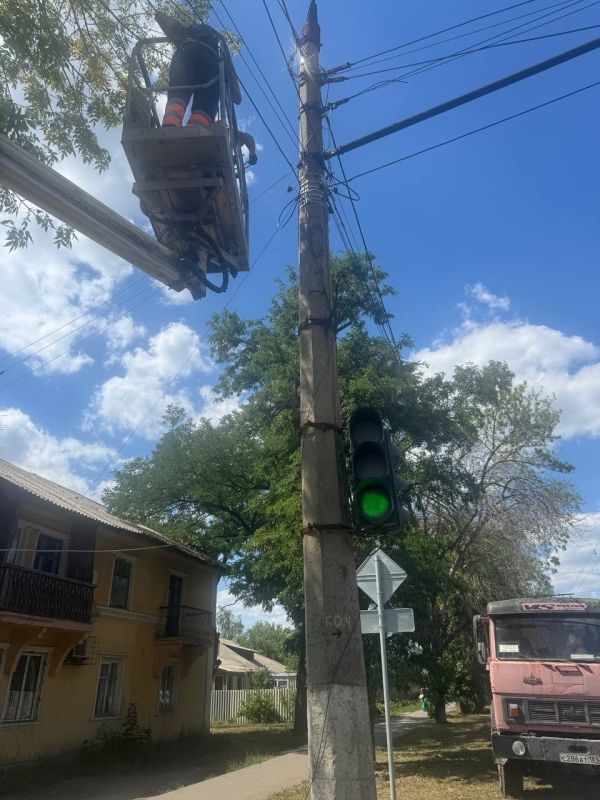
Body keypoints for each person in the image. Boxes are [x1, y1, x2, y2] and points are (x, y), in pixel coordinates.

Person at [155, 12, 258, 165]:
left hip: (184, 52)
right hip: (210, 61)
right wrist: (253, 155)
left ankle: (170, 127)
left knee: (177, 96)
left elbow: (165, 19)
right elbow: (246, 136)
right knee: (204, 108)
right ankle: (192, 136)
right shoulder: (229, 134)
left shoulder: (191, 33)